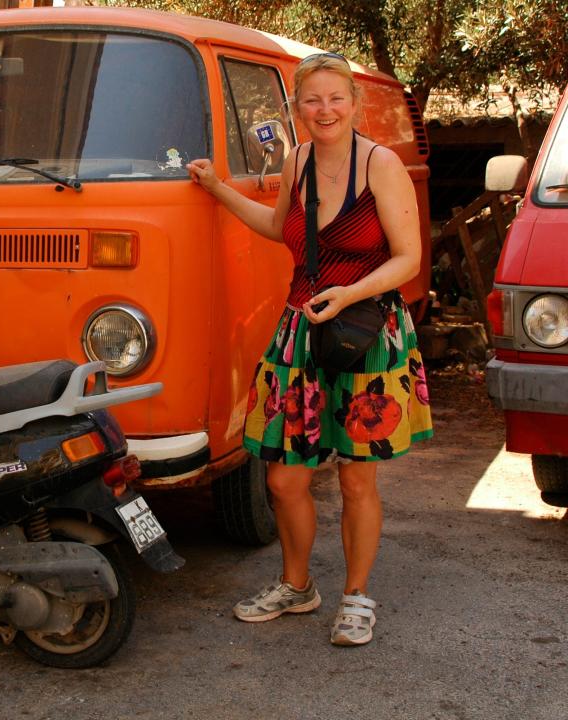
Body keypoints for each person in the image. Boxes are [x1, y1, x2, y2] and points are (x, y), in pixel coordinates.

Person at [187, 53, 433, 646]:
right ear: (295, 108)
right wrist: (219, 188)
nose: (325, 110)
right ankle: (297, 587)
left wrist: (349, 293)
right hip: (300, 329)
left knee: (355, 480)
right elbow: (281, 230)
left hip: (366, 332)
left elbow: (409, 259)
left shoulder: (381, 165)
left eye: (335, 98)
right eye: (312, 100)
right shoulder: (296, 160)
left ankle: (355, 596)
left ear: (354, 102)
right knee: (284, 480)